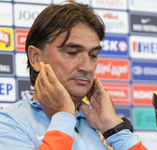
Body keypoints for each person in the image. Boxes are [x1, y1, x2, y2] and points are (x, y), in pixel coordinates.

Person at [0, 2, 147, 150]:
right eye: (72, 53)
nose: (87, 67)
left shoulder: (104, 126)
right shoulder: (9, 123)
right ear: (36, 58)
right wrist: (63, 117)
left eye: (93, 55)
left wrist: (113, 128)